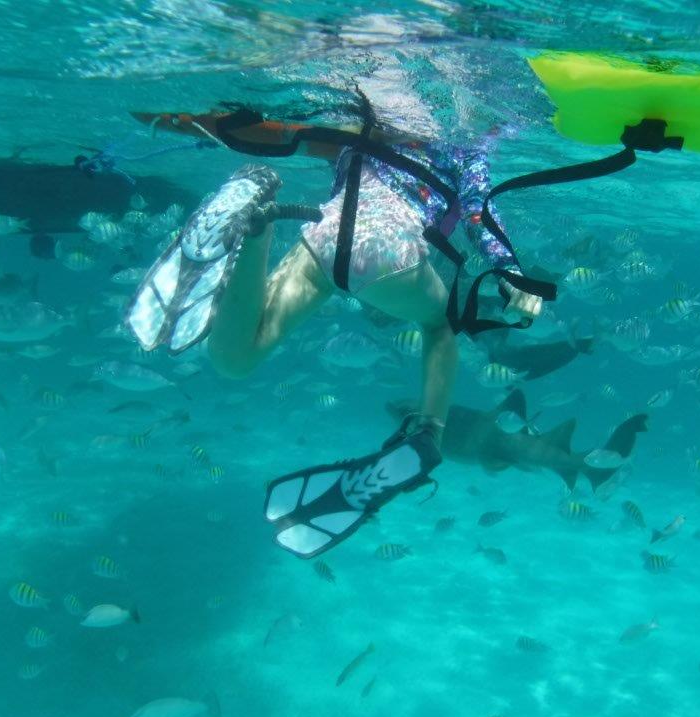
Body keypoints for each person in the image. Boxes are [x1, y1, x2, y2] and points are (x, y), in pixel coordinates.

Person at [127, 110, 550, 557]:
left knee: (233, 360)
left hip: (324, 234)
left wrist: (185, 122)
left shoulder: (362, 125)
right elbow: (477, 210)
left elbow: (281, 135)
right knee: (441, 322)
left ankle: (256, 225)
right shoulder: (465, 144)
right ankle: (428, 433)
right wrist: (511, 272)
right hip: (389, 248)